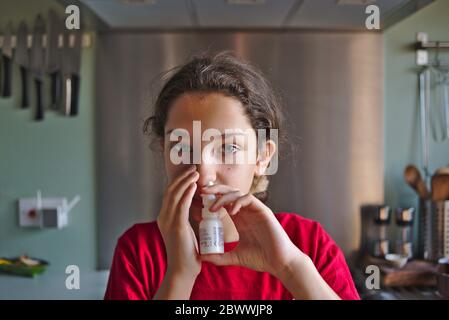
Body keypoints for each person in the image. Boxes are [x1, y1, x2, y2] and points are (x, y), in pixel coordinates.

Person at [104, 52, 360, 300]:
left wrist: (290, 268)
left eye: (228, 148)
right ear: (164, 151)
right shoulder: (138, 251)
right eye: (181, 148)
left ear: (262, 157)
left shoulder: (308, 244)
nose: (203, 175)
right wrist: (179, 274)